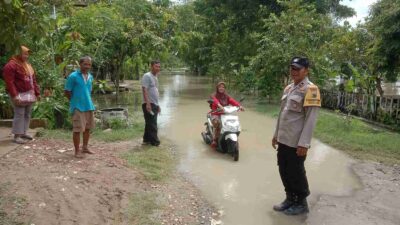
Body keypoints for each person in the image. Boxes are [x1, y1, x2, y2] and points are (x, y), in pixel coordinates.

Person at [271, 56, 321, 215]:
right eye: (292, 68)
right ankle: (290, 198)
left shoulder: (311, 89)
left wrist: (304, 144)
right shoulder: (288, 88)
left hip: (296, 142)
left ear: (306, 70)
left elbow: (310, 119)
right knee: (284, 169)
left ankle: (301, 203)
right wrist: (276, 134)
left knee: (296, 171)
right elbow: (282, 114)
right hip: (284, 138)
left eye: (297, 69)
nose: (294, 71)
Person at [3, 46, 40, 144]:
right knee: (19, 114)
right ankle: (17, 136)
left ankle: (24, 132)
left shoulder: (27, 65)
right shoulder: (11, 65)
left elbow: (33, 80)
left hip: (29, 93)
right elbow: (9, 82)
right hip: (18, 93)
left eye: (27, 54)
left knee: (27, 114)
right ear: (18, 53)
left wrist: (37, 92)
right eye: (24, 54)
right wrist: (15, 95)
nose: (26, 56)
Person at [64, 56, 96, 158]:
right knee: (77, 129)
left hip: (88, 106)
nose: (87, 66)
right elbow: (67, 91)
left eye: (89, 64)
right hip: (77, 106)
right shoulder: (73, 76)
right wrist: (73, 101)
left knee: (87, 128)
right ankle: (77, 151)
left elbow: (89, 91)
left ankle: (85, 147)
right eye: (85, 64)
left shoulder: (90, 77)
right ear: (80, 64)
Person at [210, 82, 244, 149]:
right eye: (220, 87)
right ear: (217, 88)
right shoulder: (213, 95)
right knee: (217, 123)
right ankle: (215, 140)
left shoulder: (226, 96)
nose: (221, 88)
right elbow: (215, 101)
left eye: (223, 87)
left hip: (225, 114)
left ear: (225, 88)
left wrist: (239, 106)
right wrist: (220, 106)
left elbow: (232, 101)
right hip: (216, 113)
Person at [141, 60, 161, 146]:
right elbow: (144, 89)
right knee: (153, 124)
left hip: (154, 103)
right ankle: (155, 142)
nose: (158, 68)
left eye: (159, 67)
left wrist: (158, 105)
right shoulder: (147, 76)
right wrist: (147, 103)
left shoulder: (155, 77)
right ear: (151, 66)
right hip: (149, 103)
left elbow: (155, 91)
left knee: (149, 122)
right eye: (156, 66)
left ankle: (146, 139)